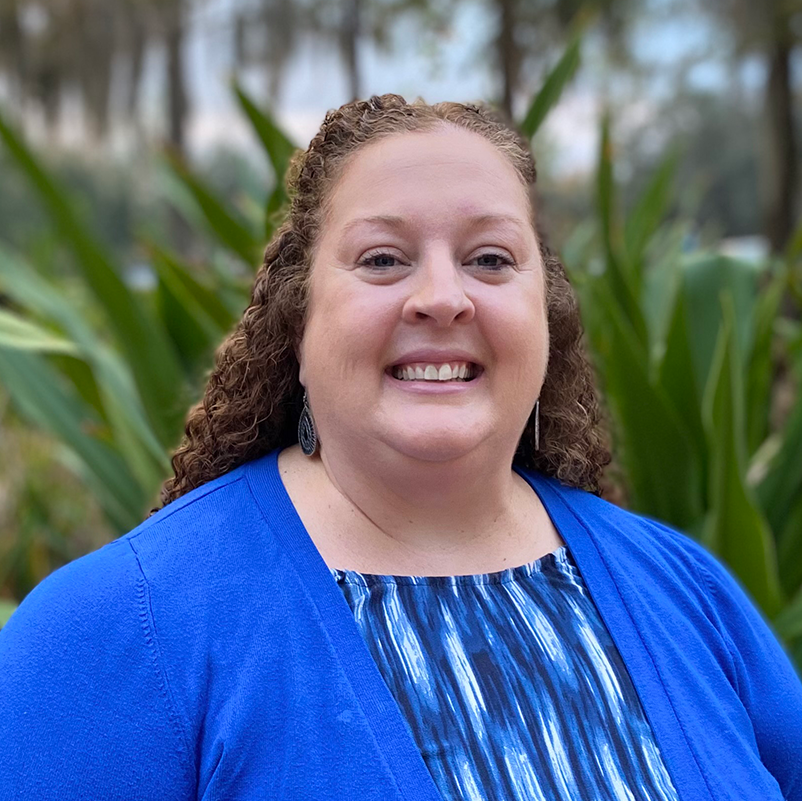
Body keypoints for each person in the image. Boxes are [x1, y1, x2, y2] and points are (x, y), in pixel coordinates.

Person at [0, 94, 800, 801]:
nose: (444, 297)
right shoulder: (116, 631)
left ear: (545, 317)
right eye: (383, 258)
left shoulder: (685, 591)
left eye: (490, 259)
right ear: (297, 326)